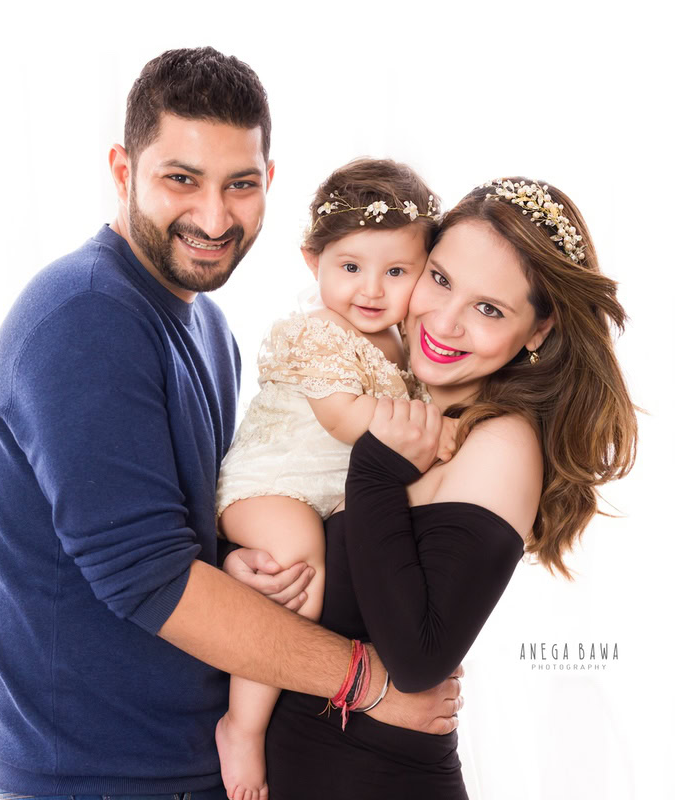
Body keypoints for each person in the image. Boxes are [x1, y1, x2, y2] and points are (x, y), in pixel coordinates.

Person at [0, 47, 462, 800]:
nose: (212, 216)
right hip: (103, 778)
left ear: (269, 183)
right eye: (180, 179)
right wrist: (368, 684)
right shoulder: (87, 318)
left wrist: (231, 560)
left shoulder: (207, 328)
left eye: (239, 185)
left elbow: (177, 533)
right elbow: (150, 582)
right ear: (122, 169)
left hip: (190, 768)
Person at [260, 177, 639, 798]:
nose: (445, 320)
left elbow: (418, 660)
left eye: (489, 309)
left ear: (538, 331)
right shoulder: (385, 403)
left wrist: (377, 469)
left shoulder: (499, 445)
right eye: (439, 279)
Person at [213, 158, 444, 800]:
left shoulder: (401, 340)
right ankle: (243, 726)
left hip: (325, 492)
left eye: (396, 271)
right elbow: (345, 419)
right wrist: (433, 432)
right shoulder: (318, 332)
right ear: (313, 261)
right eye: (350, 268)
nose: (371, 289)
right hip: (270, 484)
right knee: (300, 577)